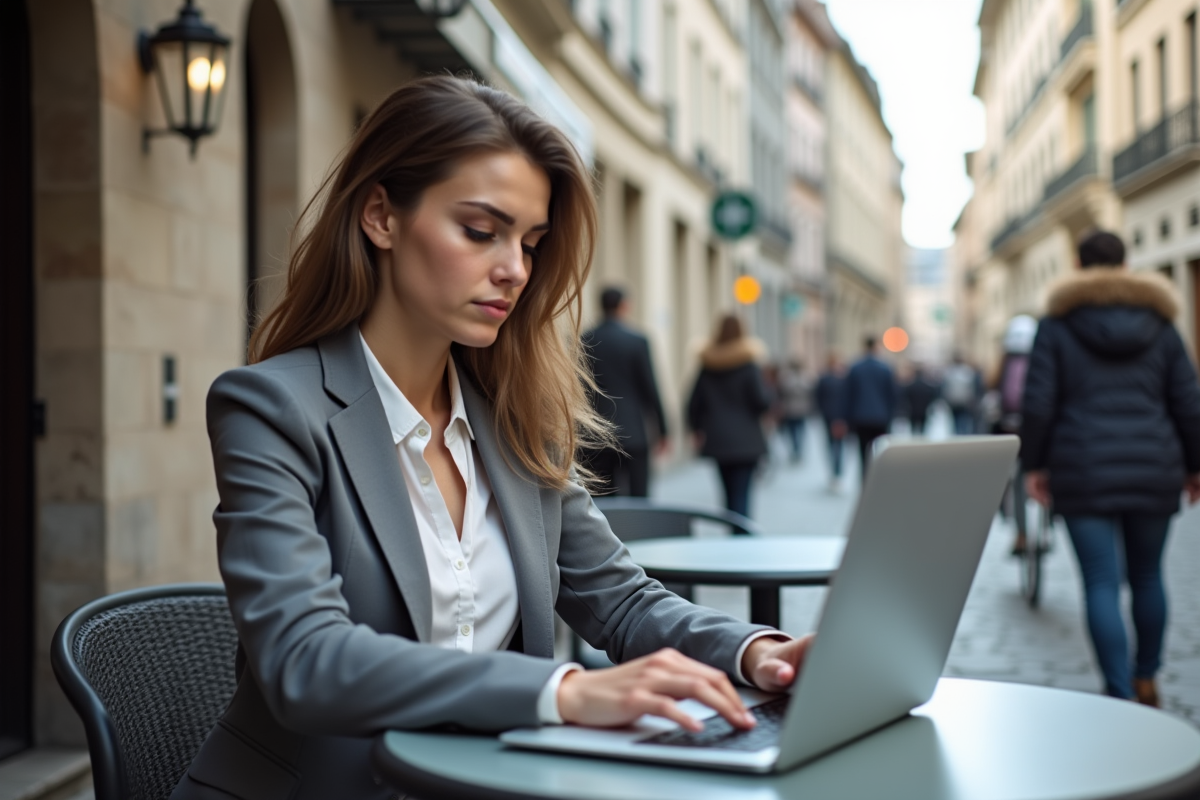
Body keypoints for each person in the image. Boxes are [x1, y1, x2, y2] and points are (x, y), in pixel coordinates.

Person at [173, 77, 813, 800]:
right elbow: (305, 660)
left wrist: (763, 653)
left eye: (531, 242)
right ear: (380, 216)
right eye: (481, 231)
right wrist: (564, 691)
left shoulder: (510, 415)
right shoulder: (272, 407)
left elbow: (621, 601)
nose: (514, 268)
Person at [1021, 230, 1200, 707]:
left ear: (1078, 267)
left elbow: (1037, 402)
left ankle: (1118, 693)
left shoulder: (1057, 324)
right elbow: (1187, 401)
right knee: (1147, 576)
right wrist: (1195, 464)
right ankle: (1147, 678)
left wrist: (1034, 464)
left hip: (1081, 467)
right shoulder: (1161, 323)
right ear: (1125, 266)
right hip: (1154, 464)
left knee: (1100, 580)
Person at [581, 287, 669, 497]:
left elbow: (580, 389)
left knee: (602, 499)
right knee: (639, 497)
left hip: (597, 432)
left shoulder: (585, 340)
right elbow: (650, 388)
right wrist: (663, 430)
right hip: (633, 433)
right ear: (624, 306)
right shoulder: (637, 341)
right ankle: (638, 530)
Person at [687, 314, 772, 518]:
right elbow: (762, 401)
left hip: (718, 439)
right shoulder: (749, 365)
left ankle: (732, 530)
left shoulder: (708, 365)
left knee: (727, 494)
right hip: (747, 440)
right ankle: (742, 537)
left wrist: (696, 429)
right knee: (743, 493)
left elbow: (693, 403)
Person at [991, 315, 1037, 555]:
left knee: (1019, 481)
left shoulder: (1005, 363)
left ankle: (1021, 534)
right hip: (1038, 428)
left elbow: (994, 393)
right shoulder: (1041, 359)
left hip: (1012, 427)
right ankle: (1047, 521)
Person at [844, 336, 896, 479]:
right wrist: (890, 414)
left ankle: (865, 478)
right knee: (881, 451)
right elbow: (892, 395)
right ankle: (879, 478)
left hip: (860, 417)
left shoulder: (855, 368)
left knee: (863, 452)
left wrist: (848, 418)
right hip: (881, 417)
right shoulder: (885, 368)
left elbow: (848, 395)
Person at [815, 353, 847, 491]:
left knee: (832, 445)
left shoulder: (824, 378)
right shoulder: (842, 379)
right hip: (839, 416)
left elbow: (818, 398)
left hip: (829, 416)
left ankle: (835, 473)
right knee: (839, 445)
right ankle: (837, 473)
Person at [775, 359, 814, 463]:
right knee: (799, 431)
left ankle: (796, 450)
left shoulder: (787, 378)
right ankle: (798, 450)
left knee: (793, 431)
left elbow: (781, 392)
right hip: (799, 409)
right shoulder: (805, 378)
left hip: (791, 409)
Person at [943, 353, 983, 434]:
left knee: (955, 420)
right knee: (963, 419)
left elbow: (945, 388)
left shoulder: (949, 372)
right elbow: (972, 388)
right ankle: (962, 434)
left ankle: (958, 433)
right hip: (964, 401)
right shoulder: (967, 372)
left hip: (953, 401)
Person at [902, 364, 940, 436]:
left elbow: (905, 397)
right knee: (923, 428)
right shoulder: (927, 386)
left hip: (912, 410)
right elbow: (933, 396)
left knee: (913, 428)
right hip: (923, 410)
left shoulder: (910, 386)